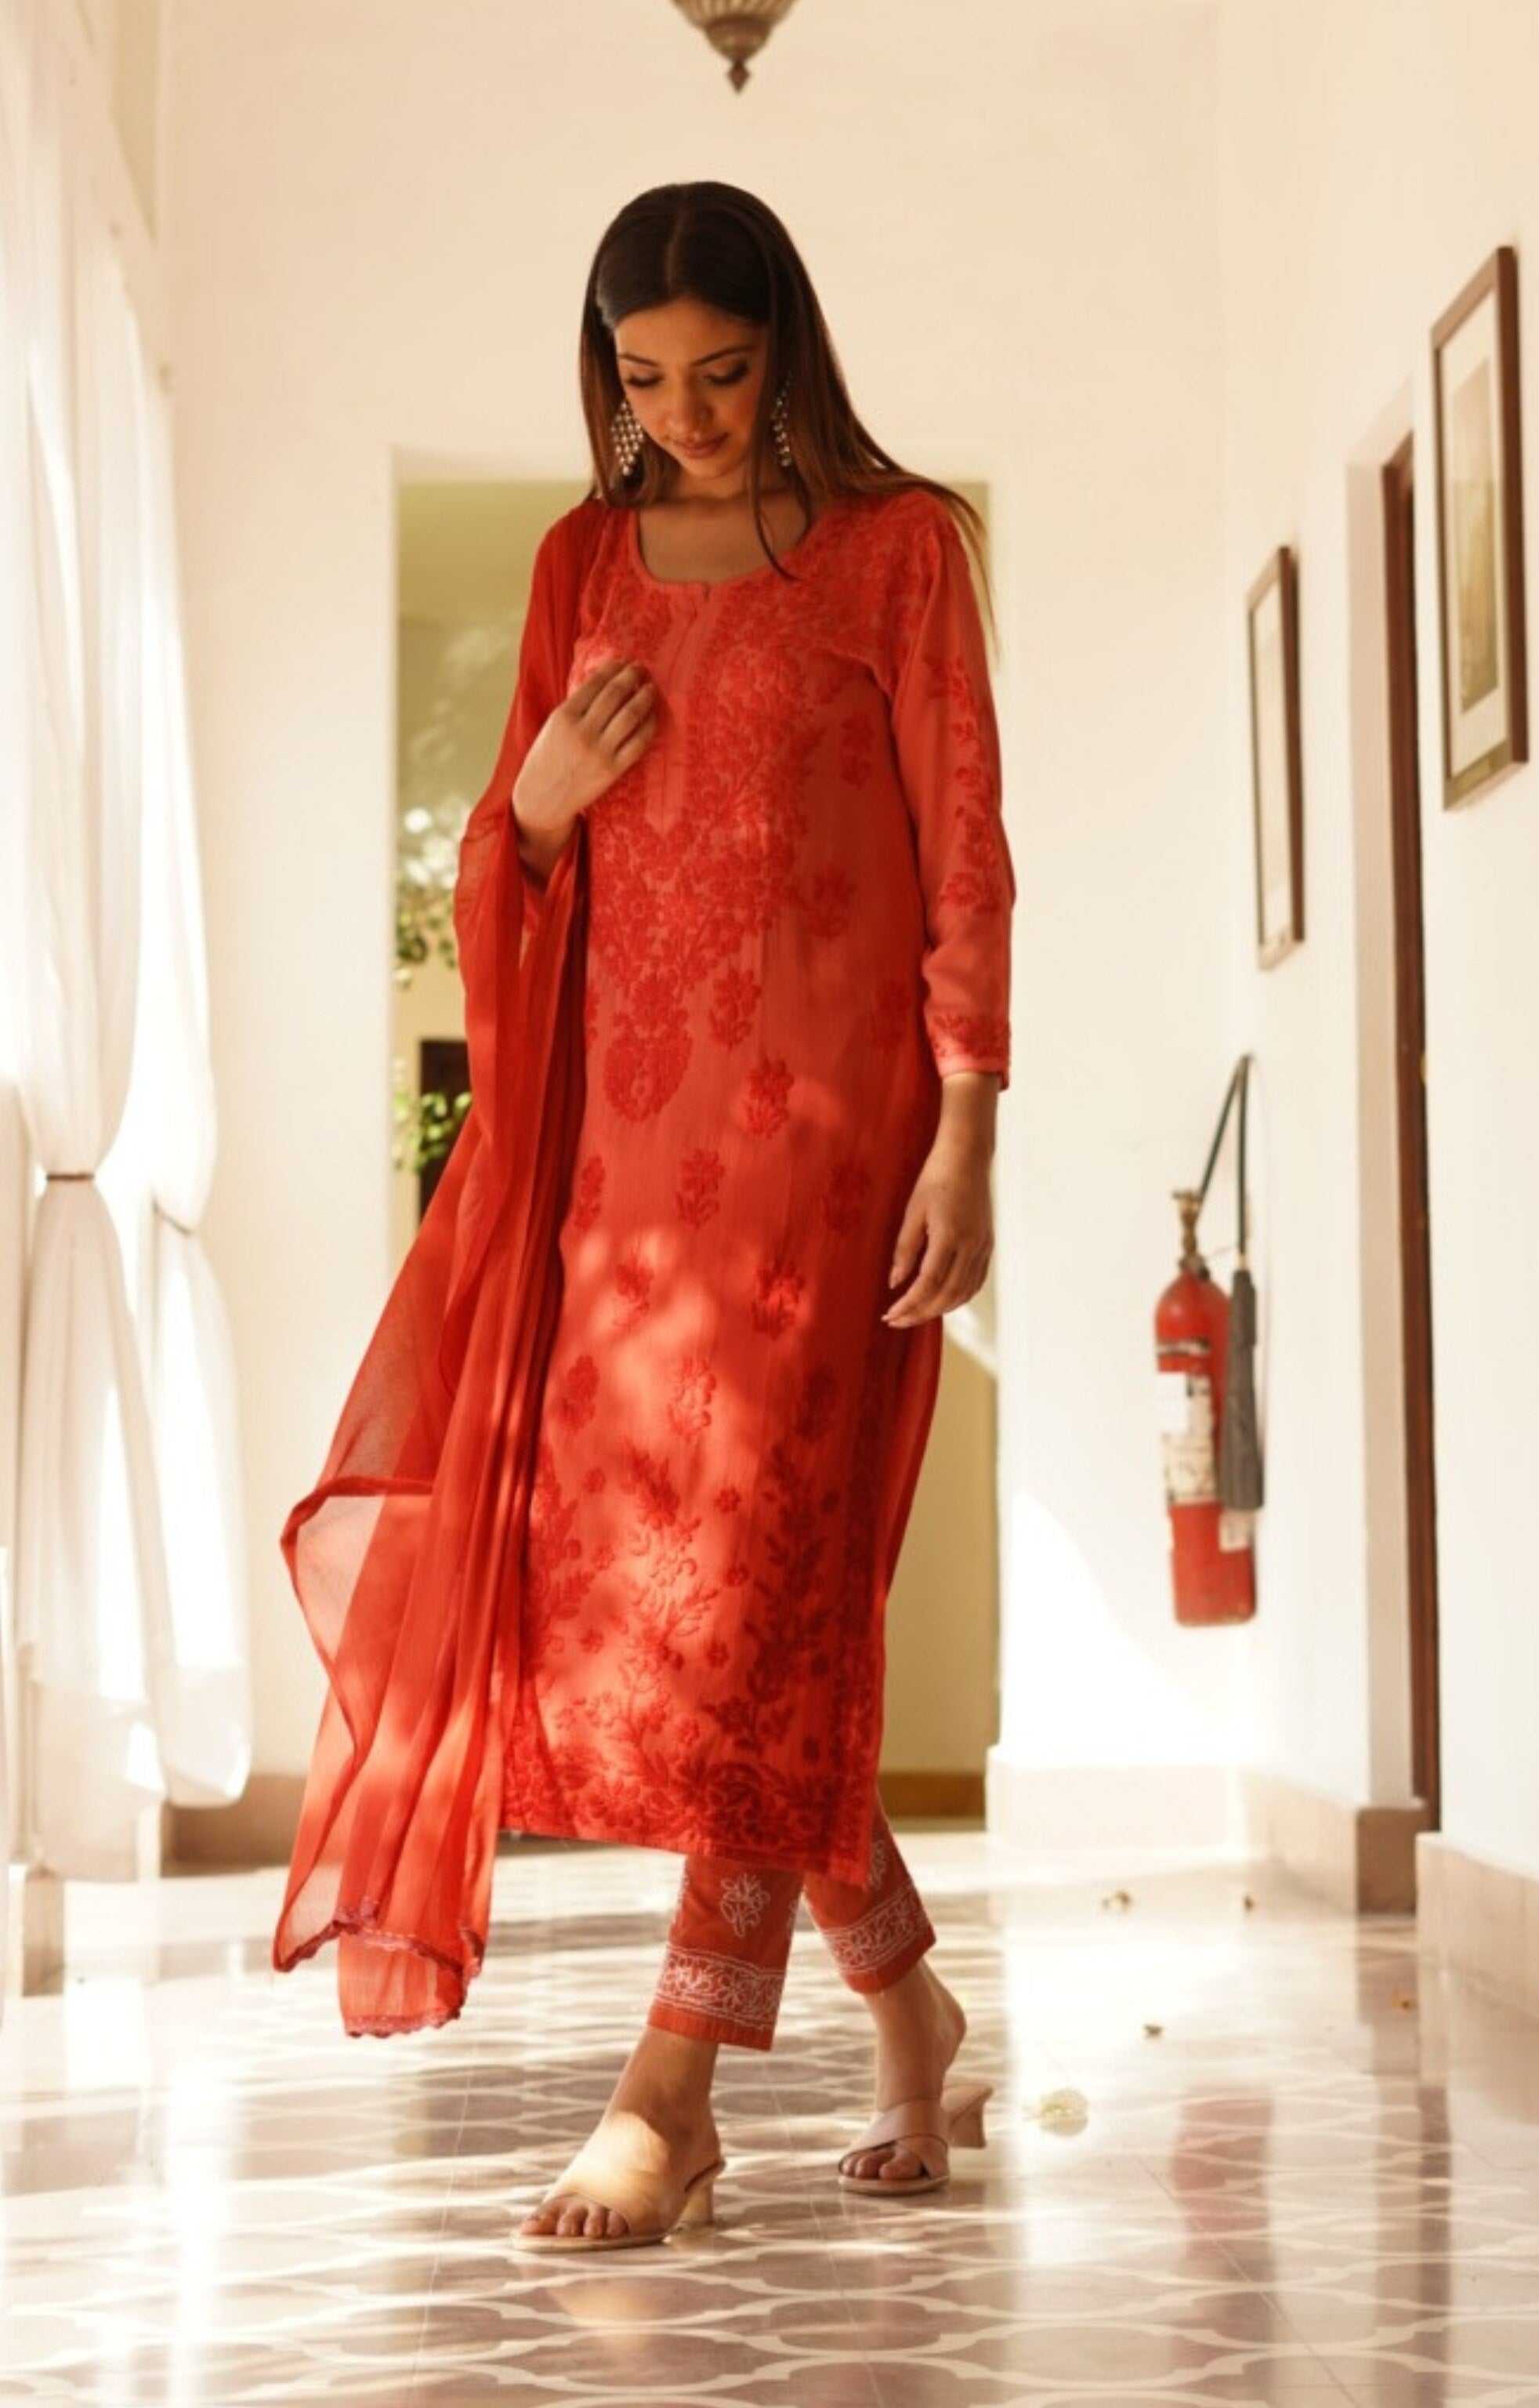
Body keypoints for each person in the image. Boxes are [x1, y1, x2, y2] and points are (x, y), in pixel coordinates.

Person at [272, 177, 1012, 2254]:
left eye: (724, 370)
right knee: (710, 1644)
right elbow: (494, 873)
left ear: (792, 348)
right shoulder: (580, 562)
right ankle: (911, 2003)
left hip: (832, 1156)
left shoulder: (894, 552)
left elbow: (968, 844)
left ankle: (669, 2095)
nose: (682, 412)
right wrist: (532, 810)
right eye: (643, 376)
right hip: (622, 1171)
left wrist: (970, 1132)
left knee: (768, 1596)